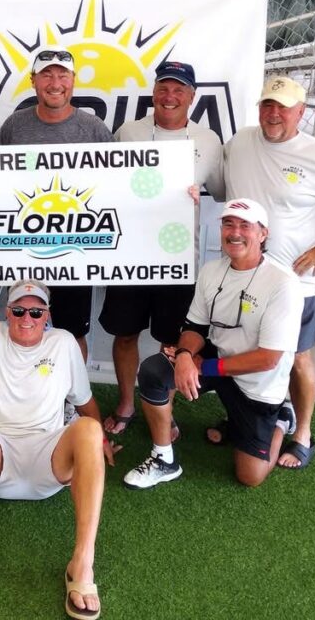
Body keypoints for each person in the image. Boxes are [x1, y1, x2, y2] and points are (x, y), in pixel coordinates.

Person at [0, 279, 114, 620]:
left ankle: (82, 564)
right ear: (6, 312)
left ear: (47, 316)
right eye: (18, 310)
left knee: (88, 428)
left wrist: (99, 443)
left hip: (49, 461)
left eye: (36, 311)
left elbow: (84, 402)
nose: (26, 318)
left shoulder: (64, 342)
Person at [224, 76, 315, 469]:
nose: (274, 114)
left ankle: (302, 432)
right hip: (243, 275)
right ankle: (244, 420)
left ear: (300, 112)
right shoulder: (239, 143)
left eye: (283, 107)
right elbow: (224, 192)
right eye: (267, 105)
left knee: (298, 359)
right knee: (240, 351)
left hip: (294, 283)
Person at [122, 198, 302, 490]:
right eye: (228, 224)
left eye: (246, 226)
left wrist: (202, 366)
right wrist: (183, 356)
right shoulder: (211, 271)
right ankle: (163, 458)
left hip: (258, 381)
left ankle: (281, 420)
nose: (235, 232)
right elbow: (195, 326)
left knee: (250, 476)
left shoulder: (283, 283)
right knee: (154, 371)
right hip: (218, 357)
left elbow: (268, 359)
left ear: (263, 233)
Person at [99, 61, 225, 437]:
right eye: (164, 88)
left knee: (170, 341)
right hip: (130, 255)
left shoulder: (208, 140)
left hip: (177, 260)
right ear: (154, 92)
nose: (170, 96)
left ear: (192, 96)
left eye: (179, 89)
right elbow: (105, 183)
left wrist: (192, 194)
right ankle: (125, 403)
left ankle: (161, 409)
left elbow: (218, 190)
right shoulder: (128, 132)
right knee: (125, 334)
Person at [0, 47, 114, 361]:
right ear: (33, 81)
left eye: (62, 74)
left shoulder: (94, 129)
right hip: (23, 247)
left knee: (74, 333)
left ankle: (74, 401)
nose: (55, 82)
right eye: (47, 74)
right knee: (23, 324)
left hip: (77, 249)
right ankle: (24, 393)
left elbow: (121, 185)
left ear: (73, 81)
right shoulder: (14, 127)